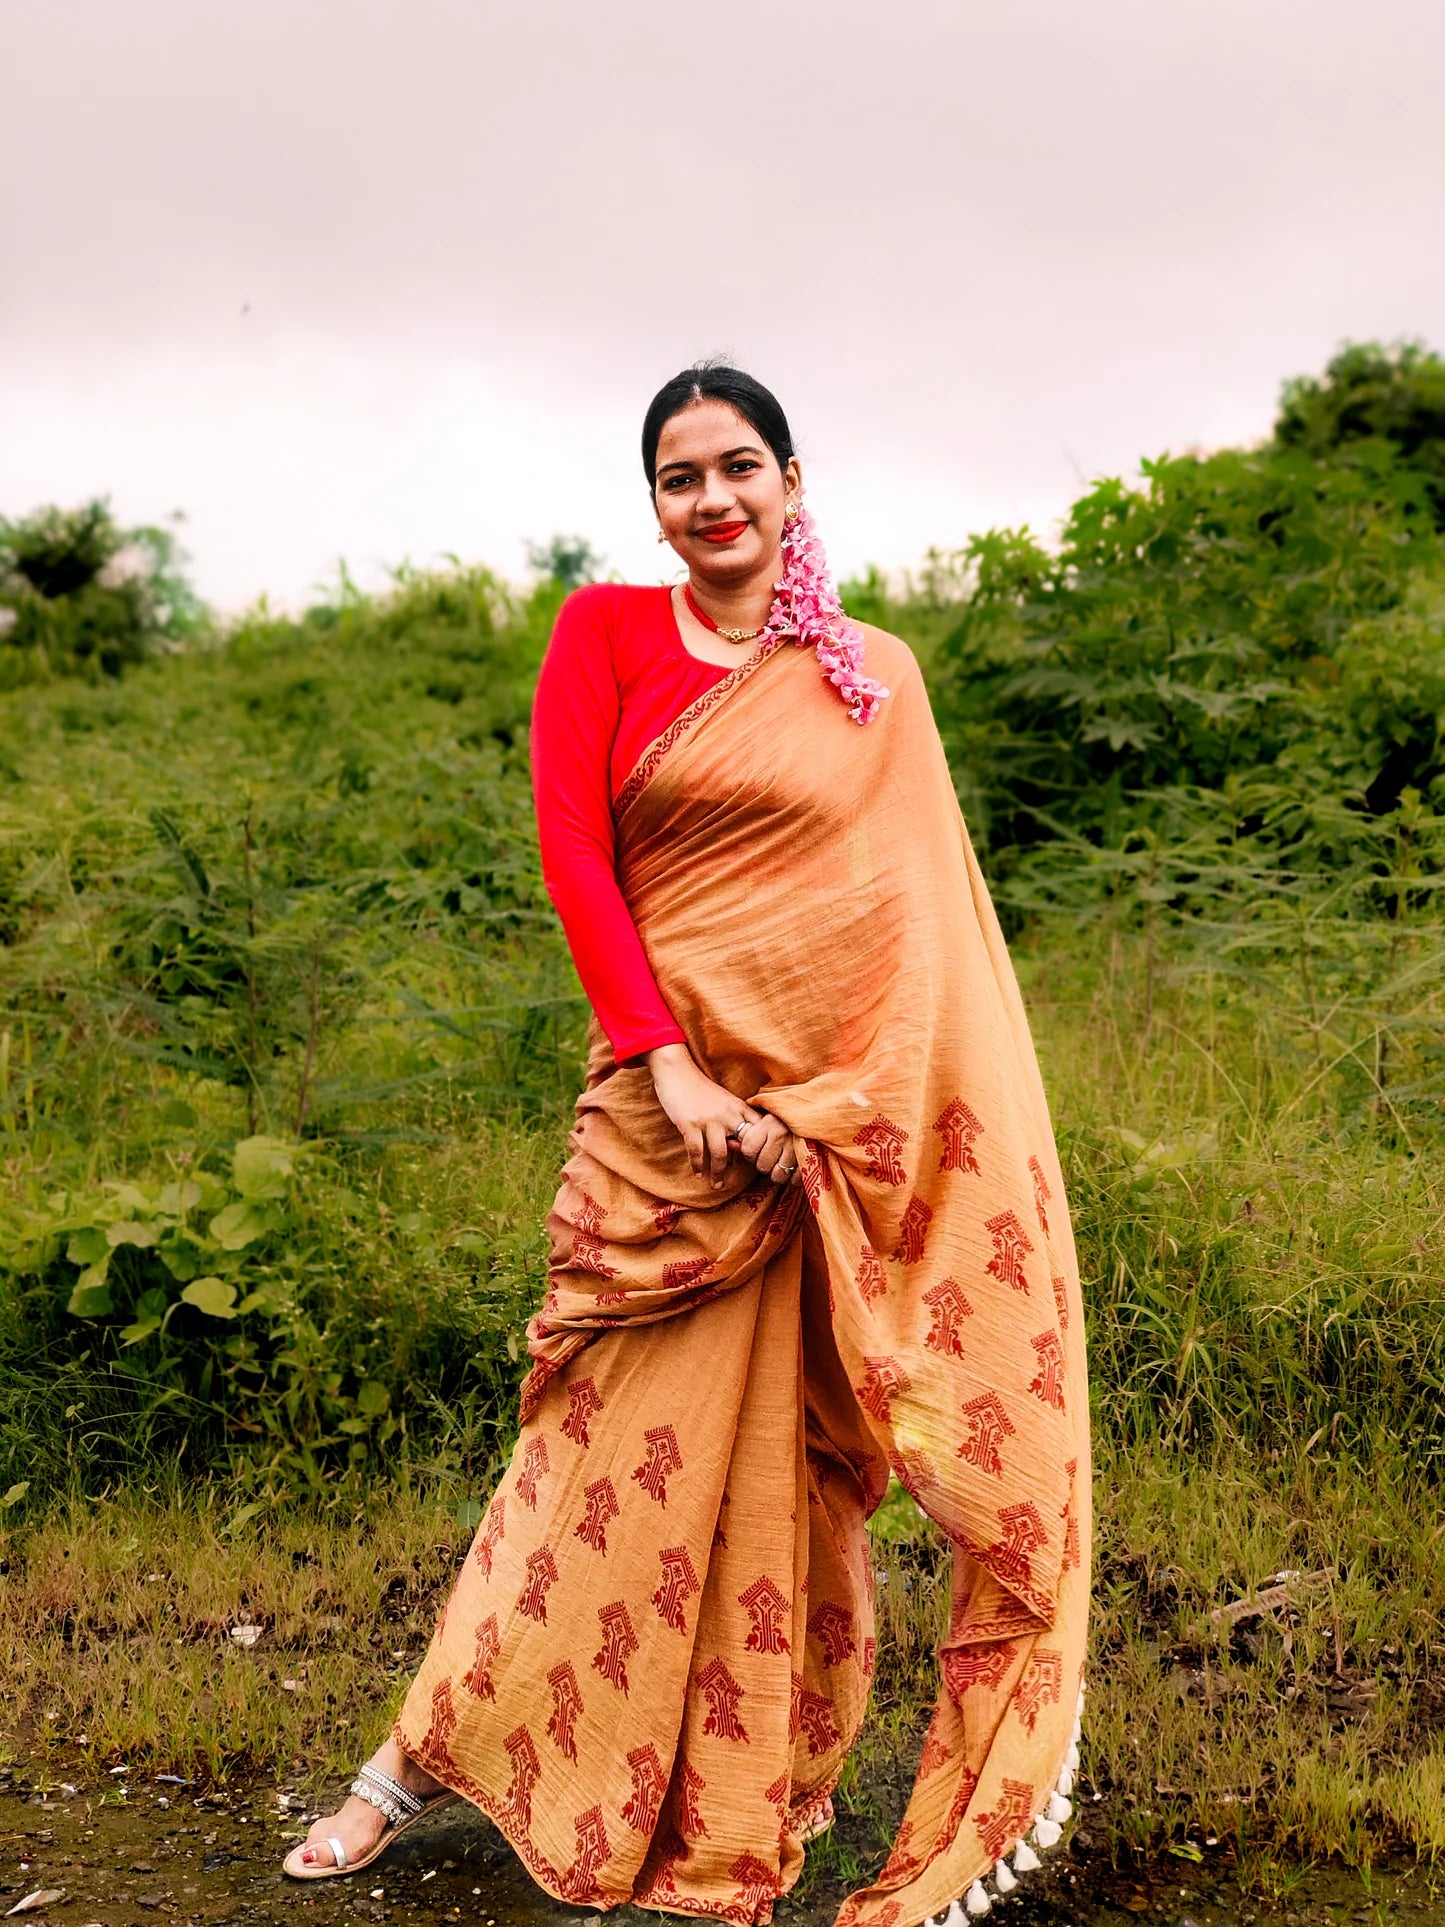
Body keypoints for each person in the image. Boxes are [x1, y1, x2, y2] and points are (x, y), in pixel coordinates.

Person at [283, 363, 1092, 1927]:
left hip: (808, 1150)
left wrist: (828, 1112)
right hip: (663, 1134)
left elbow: (912, 932)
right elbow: (575, 858)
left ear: (793, 482)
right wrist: (671, 1073)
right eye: (678, 478)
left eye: (738, 468)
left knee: (790, 1489)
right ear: (652, 503)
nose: (711, 500)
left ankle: (735, 1795)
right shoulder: (602, 633)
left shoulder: (876, 678)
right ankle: (404, 1766)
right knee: (578, 1460)